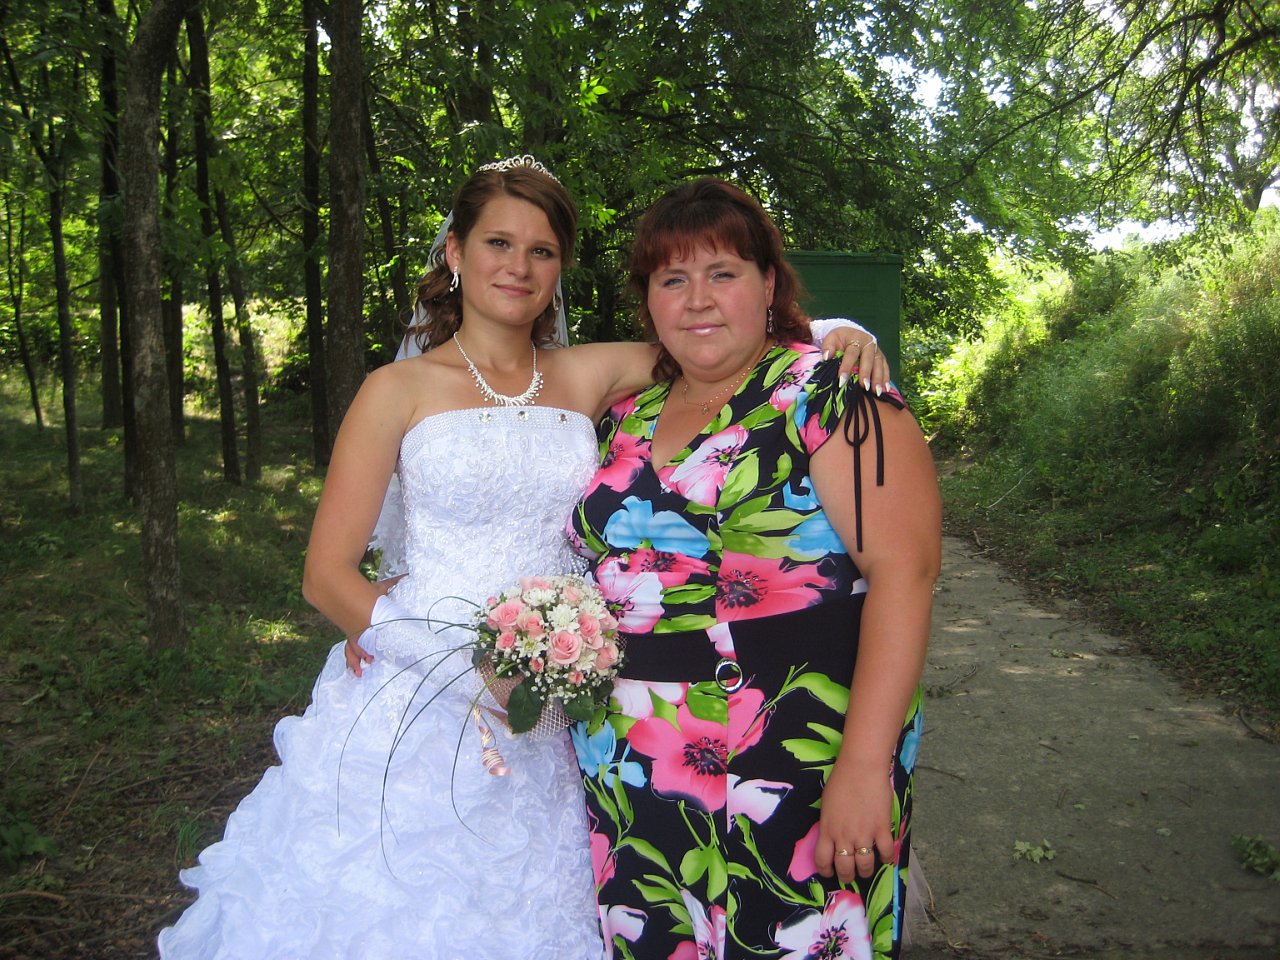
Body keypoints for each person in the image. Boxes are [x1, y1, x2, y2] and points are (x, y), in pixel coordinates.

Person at [157, 157, 886, 959]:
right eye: (498, 243)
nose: (519, 267)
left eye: (542, 251)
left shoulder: (586, 373)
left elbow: (716, 337)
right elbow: (325, 576)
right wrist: (469, 670)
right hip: (419, 696)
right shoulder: (395, 389)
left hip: (566, 701)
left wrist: (835, 333)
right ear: (456, 253)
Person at [567, 178, 941, 960]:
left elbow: (905, 575)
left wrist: (864, 768)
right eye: (673, 279)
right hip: (633, 768)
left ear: (769, 285)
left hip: (795, 754)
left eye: (723, 273)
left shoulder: (833, 392)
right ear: (648, 300)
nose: (697, 299)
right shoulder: (625, 416)